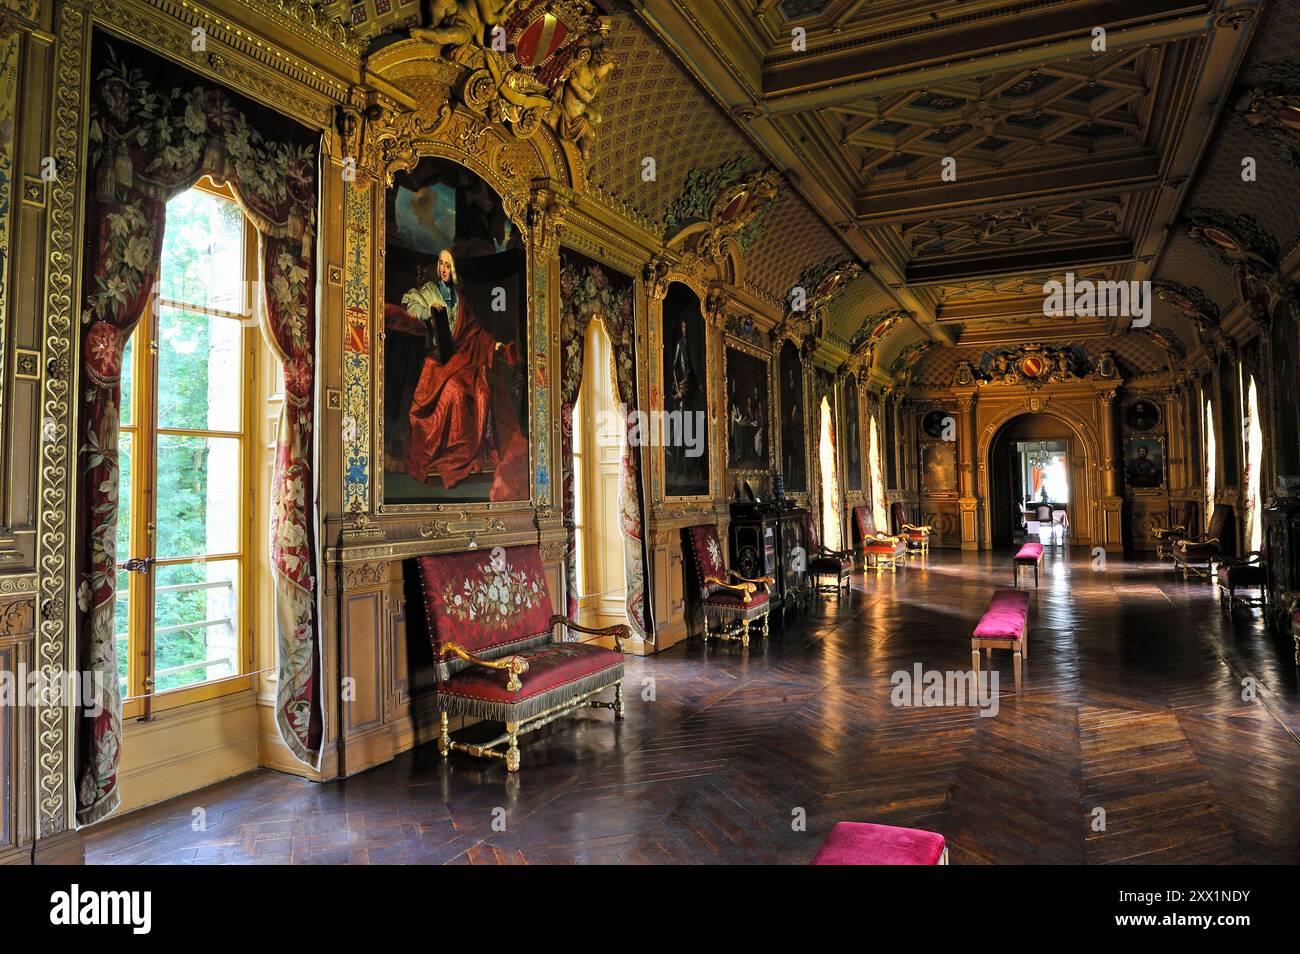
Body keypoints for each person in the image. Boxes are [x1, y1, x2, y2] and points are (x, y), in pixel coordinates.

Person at [400, 248, 528, 500]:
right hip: (437, 360)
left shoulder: (459, 297)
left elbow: (474, 331)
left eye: (448, 265)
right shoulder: (430, 291)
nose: (444, 269)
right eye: (441, 264)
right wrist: (430, 311)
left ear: (454, 269)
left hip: (461, 358)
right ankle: (446, 451)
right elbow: (408, 302)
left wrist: (495, 346)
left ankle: (468, 448)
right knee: (455, 392)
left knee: (480, 390)